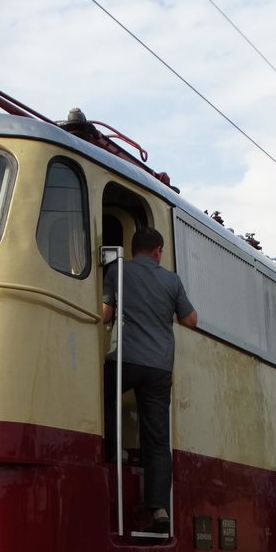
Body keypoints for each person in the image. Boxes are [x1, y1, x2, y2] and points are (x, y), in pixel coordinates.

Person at [102, 226, 198, 533]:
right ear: (158, 251)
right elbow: (190, 320)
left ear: (134, 249)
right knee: (157, 440)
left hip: (126, 360)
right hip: (159, 367)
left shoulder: (117, 270)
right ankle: (159, 508)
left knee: (100, 396)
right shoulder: (171, 280)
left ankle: (113, 450)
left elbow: (105, 313)